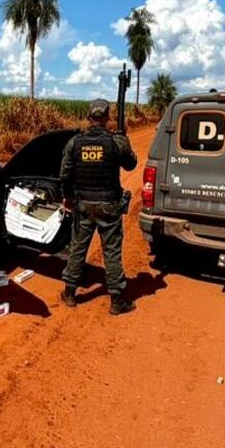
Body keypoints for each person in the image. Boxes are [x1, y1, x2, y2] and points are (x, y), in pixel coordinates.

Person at [59, 98, 138, 315]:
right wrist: (125, 139)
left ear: (88, 117)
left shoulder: (75, 142)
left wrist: (67, 198)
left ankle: (70, 293)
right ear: (107, 118)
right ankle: (116, 300)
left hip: (83, 204)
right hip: (109, 206)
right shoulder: (116, 143)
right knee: (111, 252)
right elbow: (131, 165)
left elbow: (65, 175)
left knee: (77, 248)